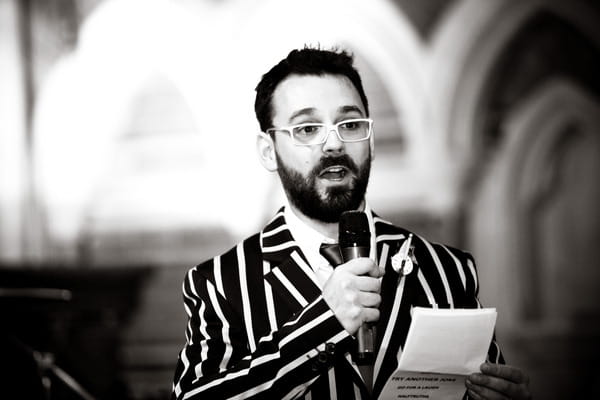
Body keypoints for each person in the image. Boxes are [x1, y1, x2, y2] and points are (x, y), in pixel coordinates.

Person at [171, 47, 532, 400]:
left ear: (370, 139)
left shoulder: (447, 269)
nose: (333, 143)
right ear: (269, 151)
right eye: (308, 128)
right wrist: (323, 323)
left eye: (350, 124)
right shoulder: (220, 282)